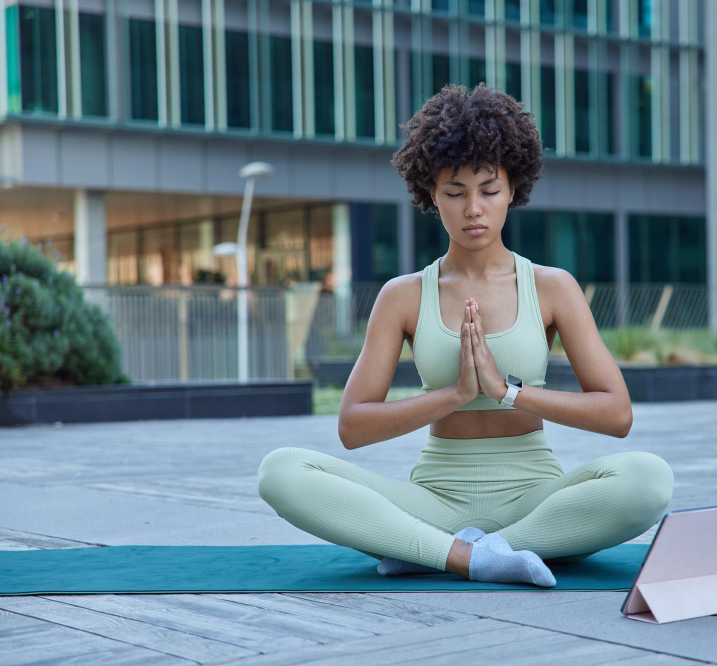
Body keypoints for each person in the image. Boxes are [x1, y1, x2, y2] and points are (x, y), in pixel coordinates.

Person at [257, 83, 674, 587]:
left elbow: (617, 414)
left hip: (534, 500)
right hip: (433, 499)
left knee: (649, 478)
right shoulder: (403, 295)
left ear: (513, 190)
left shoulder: (552, 287)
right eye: (455, 193)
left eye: (488, 190)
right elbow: (353, 427)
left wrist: (506, 392)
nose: (473, 208)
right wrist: (455, 395)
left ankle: (446, 552)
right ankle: (470, 555)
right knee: (281, 469)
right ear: (430, 195)